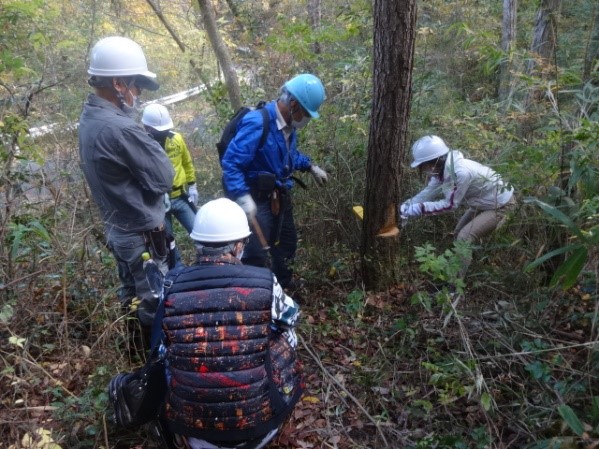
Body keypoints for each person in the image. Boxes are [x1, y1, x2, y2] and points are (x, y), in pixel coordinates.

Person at [155, 198, 303, 449]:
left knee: (167, 348)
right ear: (237, 246)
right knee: (286, 335)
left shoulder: (171, 284)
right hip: (258, 430)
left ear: (198, 244)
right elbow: (292, 316)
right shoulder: (265, 281)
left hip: (191, 432)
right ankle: (274, 402)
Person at [78, 36, 174, 331]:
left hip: (118, 229)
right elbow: (164, 177)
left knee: (131, 294)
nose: (139, 94)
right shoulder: (120, 128)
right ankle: (153, 365)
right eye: (136, 86)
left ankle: (132, 351)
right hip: (140, 234)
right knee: (154, 301)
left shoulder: (90, 117)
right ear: (118, 84)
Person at [221, 73, 329, 291]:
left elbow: (288, 157)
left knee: (287, 243)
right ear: (293, 103)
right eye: (306, 113)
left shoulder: (290, 127)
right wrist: (242, 196)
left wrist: (310, 167)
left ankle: (282, 286)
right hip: (255, 198)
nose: (306, 119)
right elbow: (231, 163)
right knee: (255, 252)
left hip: (279, 196)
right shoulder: (257, 123)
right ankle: (253, 295)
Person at [400, 135, 515, 277]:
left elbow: (450, 205)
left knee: (464, 237)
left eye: (423, 165)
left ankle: (456, 285)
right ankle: (463, 266)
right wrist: (409, 204)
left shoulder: (460, 172)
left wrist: (420, 208)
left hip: (500, 204)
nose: (423, 169)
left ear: (434, 161)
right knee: (458, 232)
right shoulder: (442, 170)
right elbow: (429, 191)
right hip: (483, 201)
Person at [141, 103, 199, 237]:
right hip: (157, 202)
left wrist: (192, 185)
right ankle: (173, 258)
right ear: (147, 127)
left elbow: (186, 162)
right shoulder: (143, 145)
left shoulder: (176, 139)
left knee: (200, 232)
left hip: (179, 196)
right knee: (167, 244)